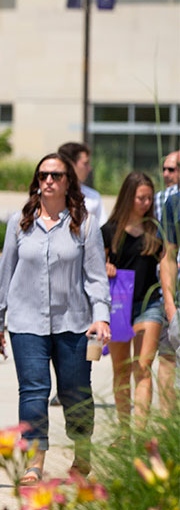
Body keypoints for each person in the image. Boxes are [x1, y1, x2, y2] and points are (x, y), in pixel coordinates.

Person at [0, 152, 111, 485]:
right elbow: (5, 273)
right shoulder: (20, 222)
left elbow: (96, 277)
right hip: (26, 322)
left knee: (75, 392)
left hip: (74, 323)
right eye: (43, 176)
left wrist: (101, 317)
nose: (48, 181)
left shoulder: (83, 224)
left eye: (55, 175)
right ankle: (34, 462)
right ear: (36, 181)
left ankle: (82, 453)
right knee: (32, 390)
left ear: (68, 181)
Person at [102, 171, 162, 434]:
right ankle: (124, 431)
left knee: (143, 367)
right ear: (129, 197)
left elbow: (167, 265)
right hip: (118, 305)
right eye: (141, 198)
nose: (146, 203)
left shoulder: (155, 232)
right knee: (121, 369)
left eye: (149, 198)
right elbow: (94, 266)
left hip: (149, 304)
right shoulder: (110, 231)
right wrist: (105, 266)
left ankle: (140, 433)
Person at [153, 151, 179, 412]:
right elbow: (166, 254)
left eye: (174, 169)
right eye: (168, 169)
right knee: (168, 357)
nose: (169, 175)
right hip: (173, 294)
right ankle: (168, 426)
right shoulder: (167, 202)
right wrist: (169, 304)